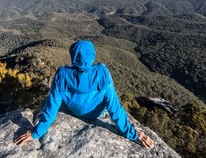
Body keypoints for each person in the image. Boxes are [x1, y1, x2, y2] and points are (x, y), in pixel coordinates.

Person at [14, 40, 154, 149]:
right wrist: (132, 134)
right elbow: (114, 108)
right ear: (93, 56)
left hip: (73, 111)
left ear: (72, 57)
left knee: (44, 105)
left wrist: (36, 132)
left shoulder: (62, 74)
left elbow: (51, 108)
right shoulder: (102, 73)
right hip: (96, 114)